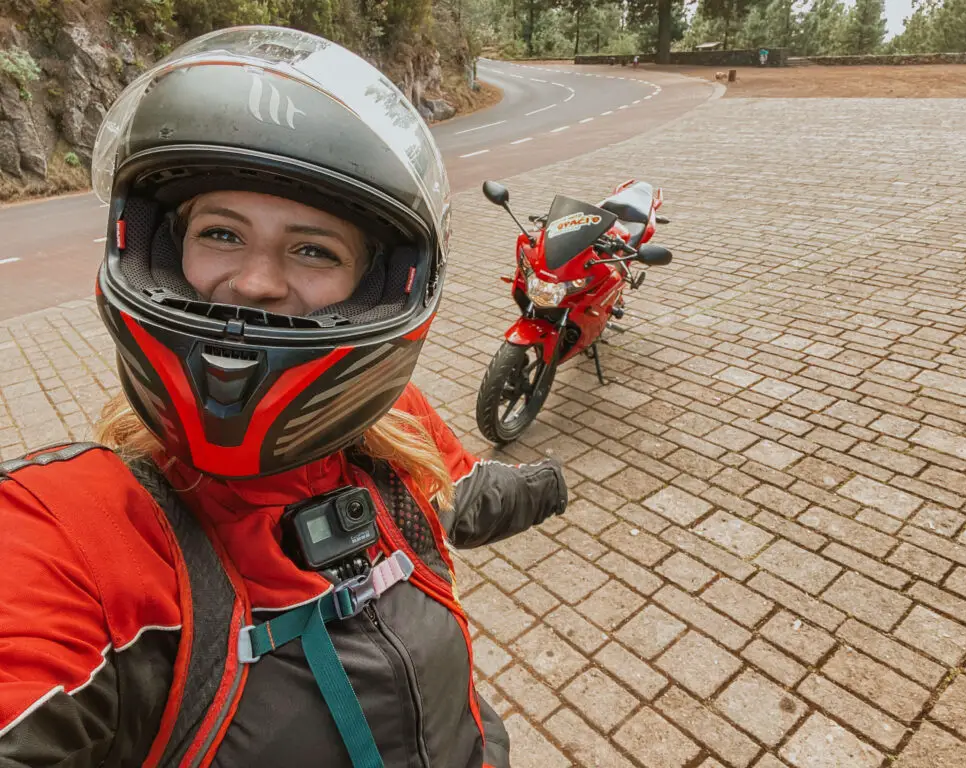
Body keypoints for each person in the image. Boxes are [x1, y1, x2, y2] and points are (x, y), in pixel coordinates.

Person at [0, 26, 567, 768]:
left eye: (313, 249)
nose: (257, 282)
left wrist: (550, 485)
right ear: (160, 253)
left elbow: (464, 495)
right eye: (222, 233)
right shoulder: (75, 536)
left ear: (374, 286)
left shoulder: (397, 429)